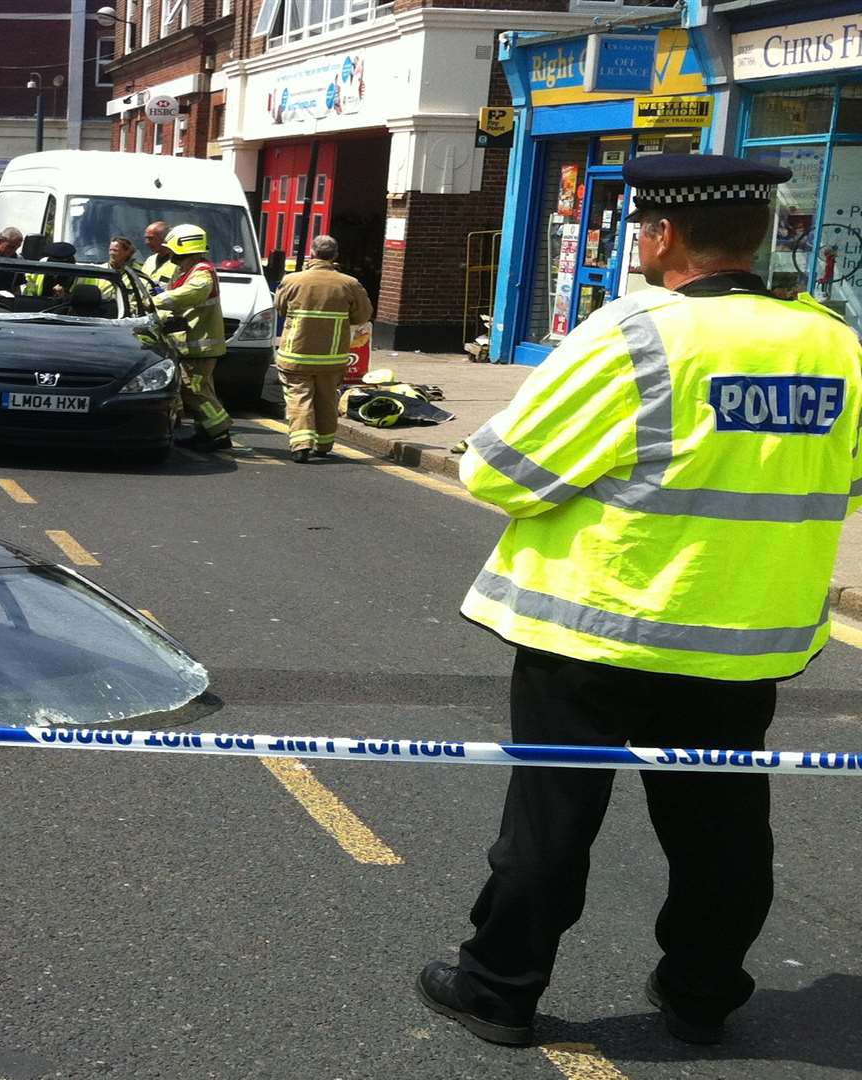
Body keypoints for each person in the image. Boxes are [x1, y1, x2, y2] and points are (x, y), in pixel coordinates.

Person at [418, 154, 862, 1050]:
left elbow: (498, 472)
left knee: (551, 821)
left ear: (661, 236)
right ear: (758, 235)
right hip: (742, 640)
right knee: (722, 829)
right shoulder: (834, 342)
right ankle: (703, 996)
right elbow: (844, 483)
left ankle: (500, 991)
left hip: (594, 631)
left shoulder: (636, 332)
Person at [273, 234, 372, 462]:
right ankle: (324, 445)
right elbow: (363, 315)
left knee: (299, 397)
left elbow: (280, 308)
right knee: (327, 399)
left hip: (296, 354)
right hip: (331, 357)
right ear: (335, 255)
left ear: (312, 253)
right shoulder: (349, 284)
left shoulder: (292, 280)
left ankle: (300, 445)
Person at [153, 224, 233, 452]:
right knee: (198, 390)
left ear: (182, 248)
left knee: (195, 391)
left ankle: (219, 432)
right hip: (191, 344)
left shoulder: (202, 272)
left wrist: (157, 301)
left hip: (200, 345)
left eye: (171, 249)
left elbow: (189, 295)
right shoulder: (186, 270)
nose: (169, 254)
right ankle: (205, 432)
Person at [140, 220, 177, 288]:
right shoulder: (150, 260)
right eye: (146, 238)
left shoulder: (179, 262)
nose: (147, 242)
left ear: (165, 238)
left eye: (151, 238)